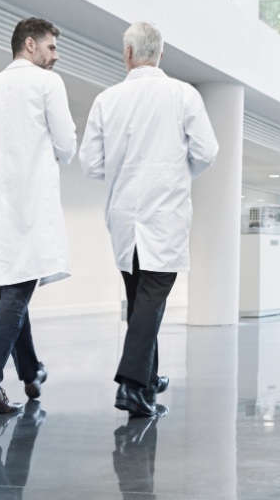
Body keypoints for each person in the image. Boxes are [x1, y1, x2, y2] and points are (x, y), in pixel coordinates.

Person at [79, 21, 218, 417]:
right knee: (150, 301)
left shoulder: (107, 99)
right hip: (165, 215)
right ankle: (131, 385)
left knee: (140, 301)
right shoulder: (183, 94)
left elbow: (90, 163)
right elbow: (207, 152)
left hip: (125, 217)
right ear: (161, 54)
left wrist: (122, 173)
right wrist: (177, 174)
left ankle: (149, 379)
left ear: (127, 53)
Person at [0, 17, 76, 415]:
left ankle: (30, 371)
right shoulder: (47, 84)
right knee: (17, 294)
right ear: (30, 44)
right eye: (51, 47)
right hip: (30, 203)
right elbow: (66, 144)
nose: (56, 56)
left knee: (13, 291)